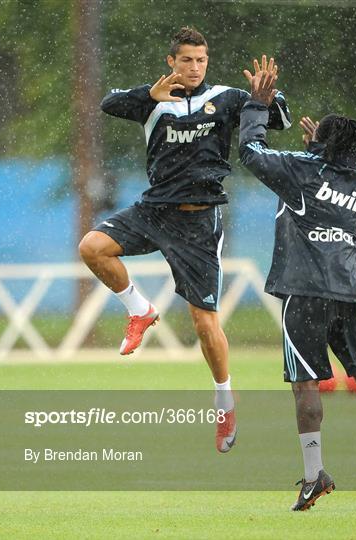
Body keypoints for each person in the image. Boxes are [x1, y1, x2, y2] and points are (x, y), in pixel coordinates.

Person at [78, 28, 291, 453]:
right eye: (187, 60)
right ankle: (140, 311)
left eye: (201, 60)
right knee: (92, 247)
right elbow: (107, 103)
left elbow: (279, 121)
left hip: (198, 224)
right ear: (171, 62)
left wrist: (265, 97)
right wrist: (149, 93)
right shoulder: (152, 98)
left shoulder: (228, 99)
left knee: (204, 324)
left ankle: (224, 398)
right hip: (154, 210)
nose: (195, 68)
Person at [239, 67, 356, 509]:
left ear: (325, 145)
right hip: (349, 292)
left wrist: (257, 106)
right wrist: (319, 151)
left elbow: (250, 152)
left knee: (306, 385)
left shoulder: (302, 170)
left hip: (303, 291)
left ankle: (313, 474)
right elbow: (329, 184)